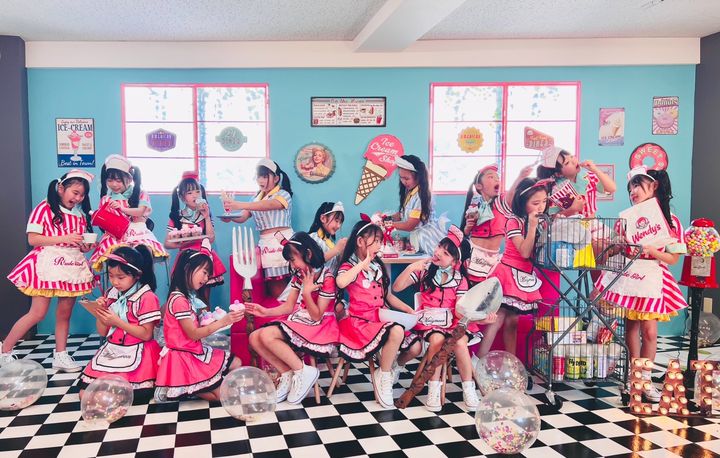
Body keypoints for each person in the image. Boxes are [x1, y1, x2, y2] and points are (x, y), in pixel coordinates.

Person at [594, 166, 687, 402]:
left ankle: (645, 379)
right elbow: (616, 251)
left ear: (654, 186)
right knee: (631, 328)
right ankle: (633, 378)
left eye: (637, 185)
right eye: (630, 188)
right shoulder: (625, 219)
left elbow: (673, 259)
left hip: (653, 276)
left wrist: (652, 250)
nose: (633, 191)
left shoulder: (671, 220)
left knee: (650, 332)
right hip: (630, 277)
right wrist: (615, 245)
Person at [393, 225, 496, 412]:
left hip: (454, 321)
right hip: (430, 322)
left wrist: (482, 319)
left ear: (455, 261)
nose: (439, 252)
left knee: (460, 343)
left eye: (446, 253)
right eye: (440, 246)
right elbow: (397, 288)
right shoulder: (425, 271)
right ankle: (433, 389)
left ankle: (468, 389)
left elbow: (459, 312)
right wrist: (411, 267)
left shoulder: (460, 280)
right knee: (437, 340)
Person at [3, 170, 95, 371]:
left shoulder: (80, 216)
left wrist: (85, 247)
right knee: (37, 313)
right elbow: (33, 239)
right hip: (47, 264)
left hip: (71, 266)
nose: (78, 198)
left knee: (64, 314)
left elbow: (77, 244)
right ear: (61, 188)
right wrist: (64, 238)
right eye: (75, 192)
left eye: (82, 195)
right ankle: (4, 351)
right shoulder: (43, 208)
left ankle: (60, 355)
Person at [247, 232, 339, 404]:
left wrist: (307, 293)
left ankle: (303, 371)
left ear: (308, 254)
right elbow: (289, 306)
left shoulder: (327, 279)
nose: (292, 265)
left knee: (266, 335)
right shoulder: (300, 275)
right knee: (254, 337)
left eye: (292, 260)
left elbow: (317, 315)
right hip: (302, 319)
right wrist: (265, 312)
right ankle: (287, 373)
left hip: (321, 326)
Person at [335, 216, 415, 409]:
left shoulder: (377, 266)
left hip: (379, 318)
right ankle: (384, 376)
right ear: (360, 241)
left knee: (416, 347)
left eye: (381, 240)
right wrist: (361, 265)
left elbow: (388, 296)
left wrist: (409, 310)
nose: (380, 245)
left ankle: (388, 369)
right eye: (376, 240)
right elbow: (341, 282)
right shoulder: (349, 266)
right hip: (359, 323)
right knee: (396, 331)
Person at [154, 241, 244, 401]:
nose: (206, 278)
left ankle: (193, 384)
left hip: (195, 351)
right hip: (184, 357)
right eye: (204, 272)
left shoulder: (186, 298)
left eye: (208, 274)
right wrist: (223, 322)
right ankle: (184, 387)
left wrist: (216, 321)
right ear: (187, 268)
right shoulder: (179, 300)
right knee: (222, 396)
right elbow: (193, 334)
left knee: (236, 363)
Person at [477, 178, 551, 358]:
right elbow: (524, 252)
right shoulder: (514, 221)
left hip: (524, 275)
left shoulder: (537, 220)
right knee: (497, 319)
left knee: (513, 322)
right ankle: (477, 361)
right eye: (535, 203)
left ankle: (511, 362)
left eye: (544, 201)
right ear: (522, 202)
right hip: (508, 273)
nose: (541, 207)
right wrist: (532, 227)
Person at [78, 245, 161, 399]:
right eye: (111, 276)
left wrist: (117, 321)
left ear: (136, 275)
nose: (115, 282)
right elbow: (103, 332)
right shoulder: (111, 294)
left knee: (119, 395)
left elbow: (146, 335)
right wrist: (100, 311)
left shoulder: (147, 297)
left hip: (138, 351)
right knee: (84, 394)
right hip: (113, 350)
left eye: (121, 277)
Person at [221, 158, 294, 298]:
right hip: (265, 244)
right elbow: (243, 216)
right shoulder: (255, 198)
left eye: (265, 176)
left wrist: (239, 204)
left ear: (276, 178)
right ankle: (282, 310)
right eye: (259, 176)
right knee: (272, 288)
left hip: (281, 241)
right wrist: (230, 217)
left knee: (284, 287)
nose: (261, 180)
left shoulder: (283, 194)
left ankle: (288, 311)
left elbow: (270, 205)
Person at [90, 155, 168, 271]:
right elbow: (104, 222)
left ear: (130, 179)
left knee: (143, 253)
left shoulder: (141, 194)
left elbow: (141, 211)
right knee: (116, 256)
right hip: (114, 236)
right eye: (110, 180)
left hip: (138, 233)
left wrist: (122, 209)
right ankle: (119, 281)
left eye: (118, 181)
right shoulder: (106, 199)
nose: (114, 184)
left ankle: (144, 280)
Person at [460, 164, 532, 285]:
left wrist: (520, 177)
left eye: (497, 177)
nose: (496, 179)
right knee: (469, 289)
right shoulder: (474, 205)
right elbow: (466, 233)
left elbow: (511, 195)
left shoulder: (501, 203)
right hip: (472, 253)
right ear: (479, 186)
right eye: (491, 177)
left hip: (492, 258)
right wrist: (468, 227)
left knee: (488, 290)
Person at [165, 171, 226, 289]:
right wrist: (185, 242)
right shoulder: (177, 216)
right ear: (182, 197)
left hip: (204, 256)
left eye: (197, 191)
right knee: (186, 293)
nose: (195, 195)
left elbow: (211, 239)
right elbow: (167, 244)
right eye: (190, 193)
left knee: (204, 295)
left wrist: (206, 216)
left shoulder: (205, 214)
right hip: (186, 259)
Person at [537, 146, 616, 218]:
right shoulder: (556, 189)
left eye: (572, 156)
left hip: (592, 225)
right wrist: (572, 209)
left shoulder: (589, 177)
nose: (574, 161)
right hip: (569, 228)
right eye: (567, 163)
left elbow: (612, 189)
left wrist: (595, 170)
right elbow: (553, 217)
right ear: (559, 174)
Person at [391, 155, 445, 255]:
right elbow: (403, 214)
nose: (403, 182)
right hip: (417, 239)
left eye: (406, 178)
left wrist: (388, 225)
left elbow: (410, 225)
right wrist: (387, 218)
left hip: (427, 239)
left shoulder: (421, 196)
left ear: (418, 177)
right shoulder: (411, 192)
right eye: (401, 178)